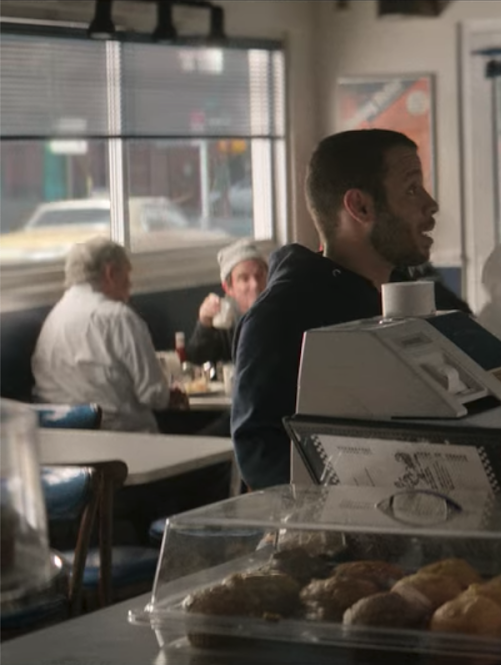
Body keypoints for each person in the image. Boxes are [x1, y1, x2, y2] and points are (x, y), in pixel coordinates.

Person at [231, 129, 470, 490]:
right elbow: (261, 457)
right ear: (360, 206)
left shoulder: (420, 297)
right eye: (411, 189)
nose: (430, 205)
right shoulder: (280, 316)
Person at [32, 238, 187, 432]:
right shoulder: (120, 317)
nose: (130, 286)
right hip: (128, 443)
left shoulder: (53, 320)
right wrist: (170, 394)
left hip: (62, 444)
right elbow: (154, 395)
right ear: (111, 273)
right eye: (127, 275)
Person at [186, 239, 268, 364]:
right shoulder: (224, 319)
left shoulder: (282, 312)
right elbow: (196, 361)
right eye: (244, 279)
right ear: (228, 288)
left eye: (259, 276)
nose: (255, 284)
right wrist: (204, 325)